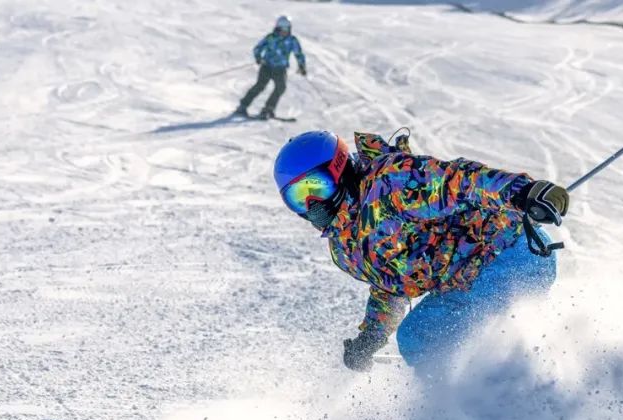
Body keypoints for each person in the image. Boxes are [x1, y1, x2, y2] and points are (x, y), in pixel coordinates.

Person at [272, 129, 570, 373]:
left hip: (510, 253)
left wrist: (522, 192)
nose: (313, 205)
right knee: (424, 338)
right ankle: (490, 413)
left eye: (317, 187)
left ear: (340, 169)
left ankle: (499, 411)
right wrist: (372, 335)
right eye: (298, 198)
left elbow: (458, 182)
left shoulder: (390, 182)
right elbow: (389, 283)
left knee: (424, 339)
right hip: (467, 285)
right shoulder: (344, 245)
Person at [235, 16, 306, 119]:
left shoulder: (292, 40)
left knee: (280, 88)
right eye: (283, 29)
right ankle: (243, 105)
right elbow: (258, 48)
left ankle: (268, 109)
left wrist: (302, 65)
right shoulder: (271, 37)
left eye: (287, 29)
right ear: (278, 28)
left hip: (280, 69)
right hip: (267, 66)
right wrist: (258, 57)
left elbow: (298, 53)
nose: (285, 32)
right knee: (260, 86)